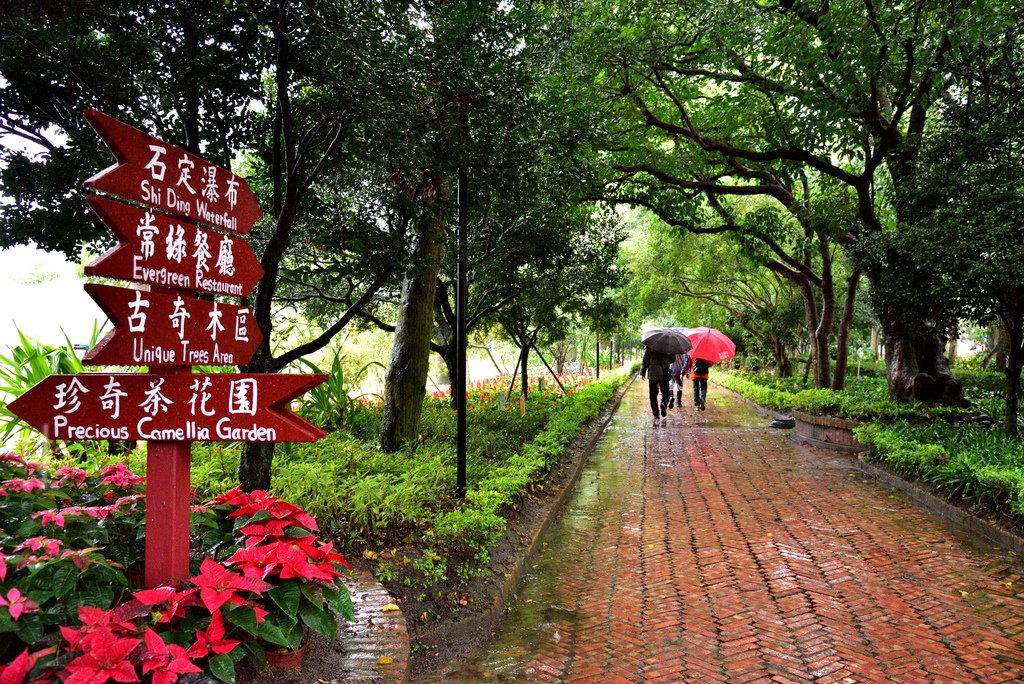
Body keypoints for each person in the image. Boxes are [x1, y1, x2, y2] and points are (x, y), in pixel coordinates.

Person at [640, 346, 676, 420]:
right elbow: (672, 360)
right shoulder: (668, 347)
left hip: (652, 374)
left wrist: (643, 372)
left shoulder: (649, 347)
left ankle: (656, 413)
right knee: (666, 392)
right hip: (664, 374)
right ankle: (664, 403)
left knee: (653, 394)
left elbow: (645, 361)